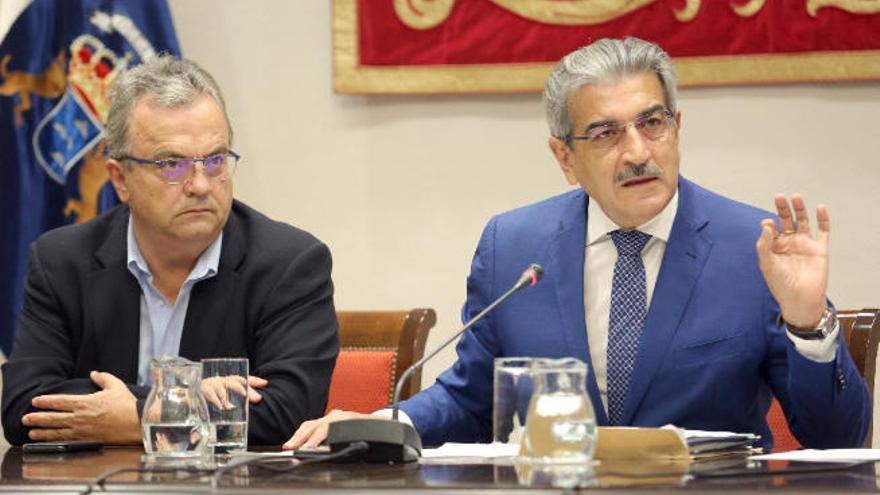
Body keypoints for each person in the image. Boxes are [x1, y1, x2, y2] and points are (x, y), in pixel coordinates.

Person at [286, 37, 870, 451]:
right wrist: (381, 423)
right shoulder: (514, 246)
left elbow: (837, 438)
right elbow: (471, 399)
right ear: (565, 157)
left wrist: (807, 325)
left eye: (652, 123)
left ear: (677, 127)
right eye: (605, 133)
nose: (638, 151)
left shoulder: (754, 246)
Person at [2, 55, 339, 446]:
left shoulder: (289, 263)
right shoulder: (62, 261)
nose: (200, 184)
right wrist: (192, 402)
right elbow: (24, 409)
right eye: (171, 164)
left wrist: (138, 416)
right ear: (120, 178)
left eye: (215, 160)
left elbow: (290, 412)